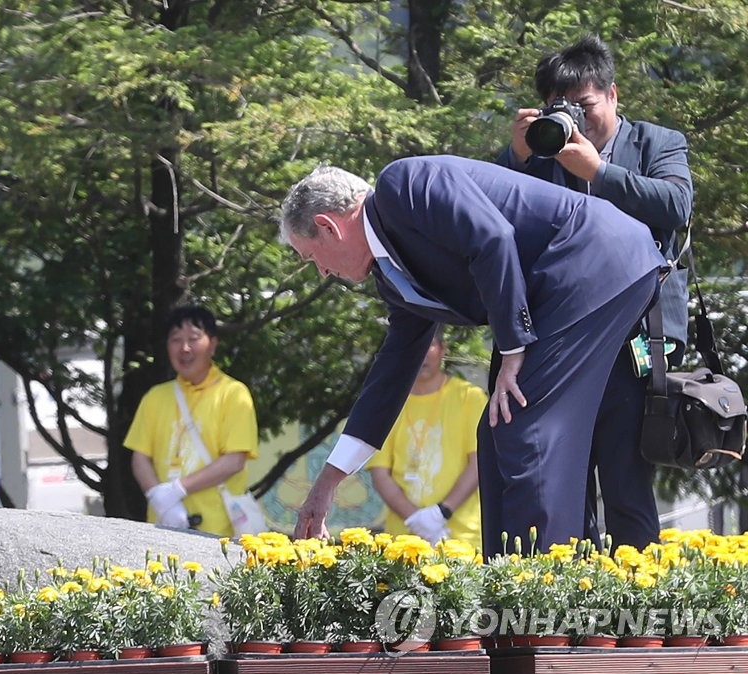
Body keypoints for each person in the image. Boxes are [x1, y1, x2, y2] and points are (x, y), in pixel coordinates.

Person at [281, 154, 667, 556]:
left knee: (523, 427)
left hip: (595, 261)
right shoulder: (393, 274)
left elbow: (492, 237)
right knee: (498, 432)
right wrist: (327, 482)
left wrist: (513, 349)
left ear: (328, 226)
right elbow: (390, 376)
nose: (322, 272)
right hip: (562, 289)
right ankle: (516, 574)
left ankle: (539, 590)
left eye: (312, 257)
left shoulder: (403, 184)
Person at [496, 35, 693, 549]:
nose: (577, 121)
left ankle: (639, 614)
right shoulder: (540, 152)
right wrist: (515, 157)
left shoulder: (657, 142)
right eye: (563, 110)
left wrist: (599, 172)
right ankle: (572, 615)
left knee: (627, 482)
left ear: (613, 94)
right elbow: (487, 222)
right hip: (557, 340)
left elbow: (675, 206)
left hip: (635, 339)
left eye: (585, 106)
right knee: (564, 483)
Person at [126, 305, 259, 535]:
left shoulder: (233, 394)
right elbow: (140, 457)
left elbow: (235, 459)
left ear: (213, 344)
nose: (184, 348)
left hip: (220, 533)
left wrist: (178, 489)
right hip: (162, 527)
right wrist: (159, 499)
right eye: (176, 340)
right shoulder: (155, 397)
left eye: (194, 338)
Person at [365, 325, 485, 549]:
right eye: (413, 347)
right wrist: (417, 521)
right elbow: (380, 472)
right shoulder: (390, 402)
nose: (421, 354)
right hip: (403, 540)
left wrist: (441, 512)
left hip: (460, 537)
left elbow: (479, 463)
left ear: (442, 349)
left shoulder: (470, 397)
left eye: (428, 345)